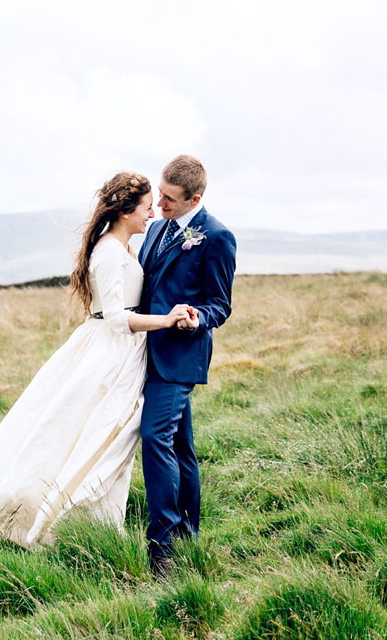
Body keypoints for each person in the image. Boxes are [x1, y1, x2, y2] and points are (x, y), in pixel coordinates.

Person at [0, 172, 196, 549]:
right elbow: (114, 316)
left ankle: (93, 525)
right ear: (127, 211)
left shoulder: (125, 247)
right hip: (111, 355)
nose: (152, 215)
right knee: (94, 437)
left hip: (125, 353)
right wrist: (166, 320)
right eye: (147, 208)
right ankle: (64, 522)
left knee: (105, 439)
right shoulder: (110, 252)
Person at [137, 155, 237, 577]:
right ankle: (188, 536)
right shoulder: (157, 228)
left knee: (154, 437)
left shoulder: (217, 237)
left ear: (195, 198)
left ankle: (162, 548)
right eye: (160, 195)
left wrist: (198, 317)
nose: (160, 205)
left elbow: (220, 304)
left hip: (179, 355)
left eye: (170, 200)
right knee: (180, 448)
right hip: (144, 352)